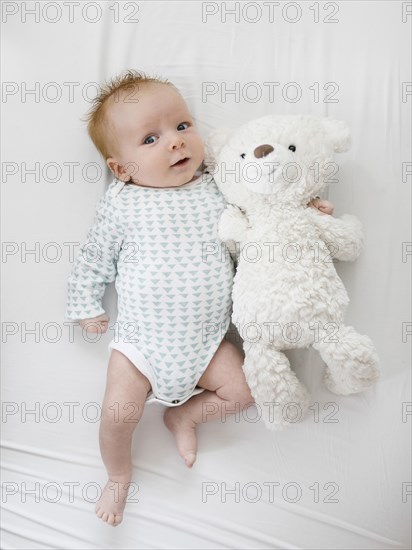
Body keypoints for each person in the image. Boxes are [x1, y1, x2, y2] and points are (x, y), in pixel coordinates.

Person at [64, 70, 334, 526]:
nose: (175, 142)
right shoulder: (122, 203)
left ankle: (185, 417)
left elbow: (263, 203)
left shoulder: (217, 185)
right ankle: (118, 475)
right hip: (141, 345)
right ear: (121, 168)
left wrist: (304, 208)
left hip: (207, 342)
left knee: (245, 390)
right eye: (151, 138)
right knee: (117, 414)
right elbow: (95, 256)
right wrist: (85, 303)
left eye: (182, 126)